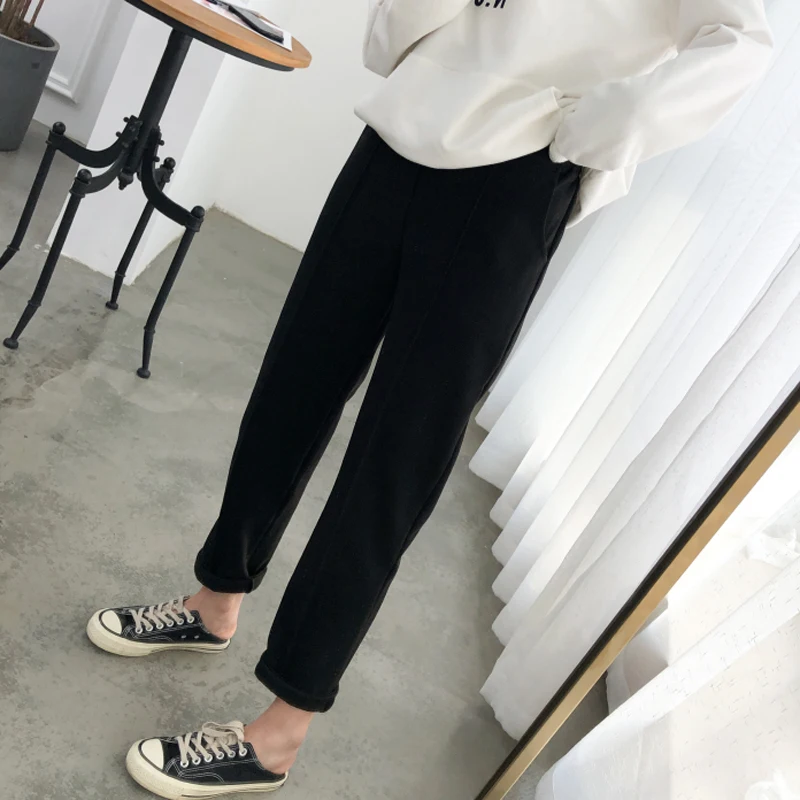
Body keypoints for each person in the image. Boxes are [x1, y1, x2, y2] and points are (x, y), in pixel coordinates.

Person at [87, 0, 773, 796]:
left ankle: (282, 728)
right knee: (291, 387)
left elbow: (741, 39)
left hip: (519, 174)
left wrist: (605, 124)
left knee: (396, 454)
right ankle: (216, 599)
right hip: (400, 132)